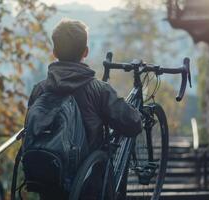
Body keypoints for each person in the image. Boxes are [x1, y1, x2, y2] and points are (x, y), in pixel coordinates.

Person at [27, 18, 142, 199]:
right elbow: (133, 124)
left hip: (48, 181)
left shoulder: (40, 90)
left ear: (54, 52)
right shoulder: (98, 90)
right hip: (88, 185)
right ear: (86, 52)